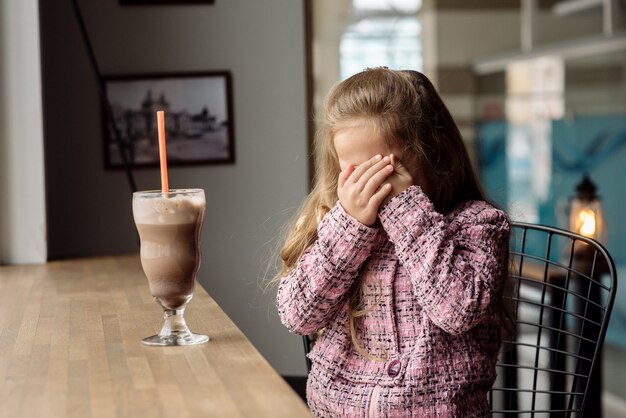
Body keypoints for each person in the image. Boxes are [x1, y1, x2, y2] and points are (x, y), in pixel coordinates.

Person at [275, 68, 510, 417]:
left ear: (432, 155)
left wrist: (406, 209)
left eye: (383, 170)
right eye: (355, 172)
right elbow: (296, 314)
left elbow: (458, 310)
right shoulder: (332, 224)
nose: (371, 187)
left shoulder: (478, 225)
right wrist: (349, 227)